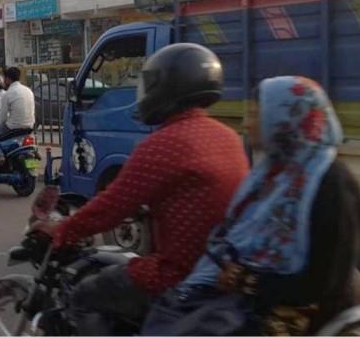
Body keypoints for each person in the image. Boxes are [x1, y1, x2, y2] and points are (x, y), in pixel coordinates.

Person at [34, 43, 250, 335]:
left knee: (84, 295)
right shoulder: (228, 137)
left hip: (177, 274)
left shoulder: (164, 144)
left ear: (167, 87)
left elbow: (110, 208)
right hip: (218, 270)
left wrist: (62, 230)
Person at [142, 76, 360, 336]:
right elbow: (235, 235)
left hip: (303, 310)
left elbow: (324, 281)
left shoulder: (331, 183)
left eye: (256, 115)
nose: (247, 125)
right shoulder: (272, 175)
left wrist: (246, 281)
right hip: (250, 297)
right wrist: (232, 272)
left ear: (284, 120)